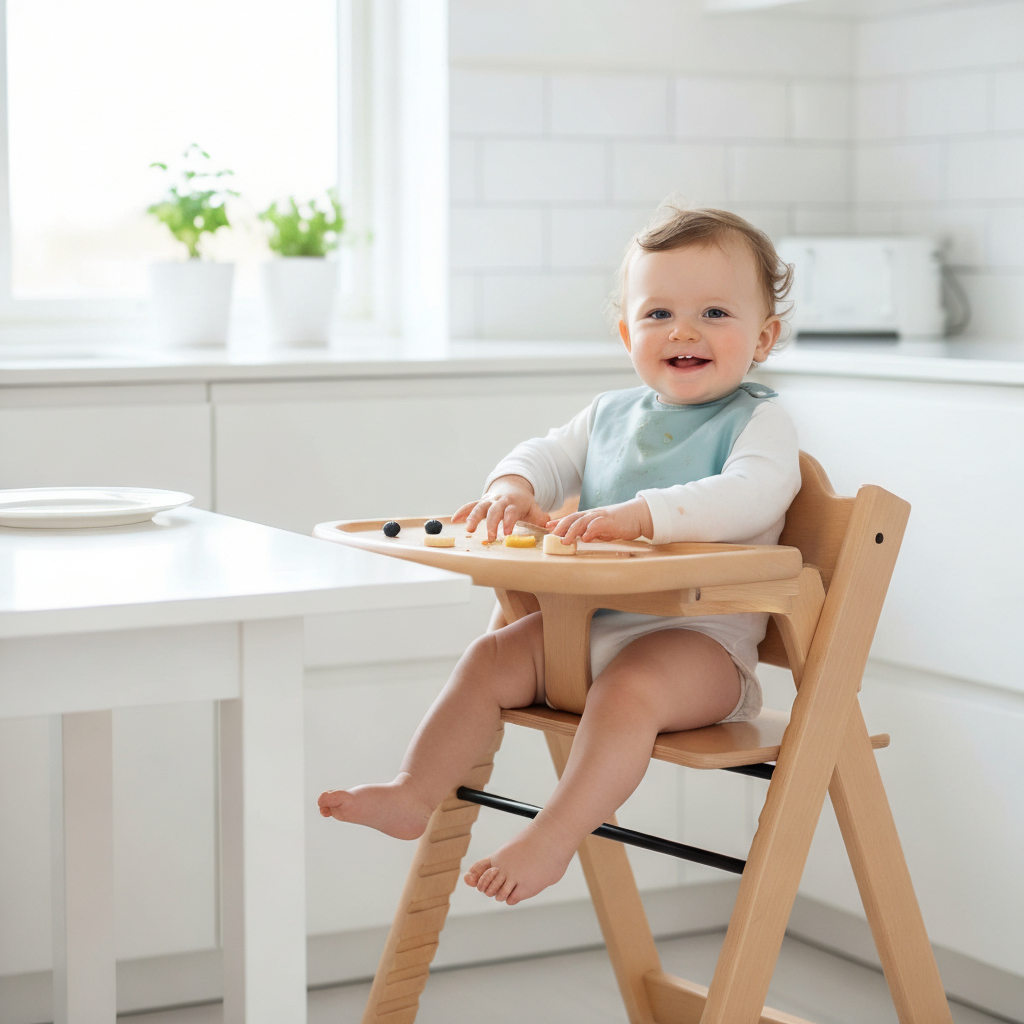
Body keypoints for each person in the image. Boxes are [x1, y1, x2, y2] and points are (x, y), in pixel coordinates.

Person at [318, 204, 801, 907]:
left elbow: (752, 495)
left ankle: (555, 836)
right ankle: (413, 792)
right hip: (592, 629)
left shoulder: (760, 422)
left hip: (701, 648)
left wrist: (641, 515)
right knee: (488, 660)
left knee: (629, 691)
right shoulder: (608, 416)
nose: (685, 330)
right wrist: (512, 489)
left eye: (715, 313)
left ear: (764, 337)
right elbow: (543, 455)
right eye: (659, 312)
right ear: (625, 331)